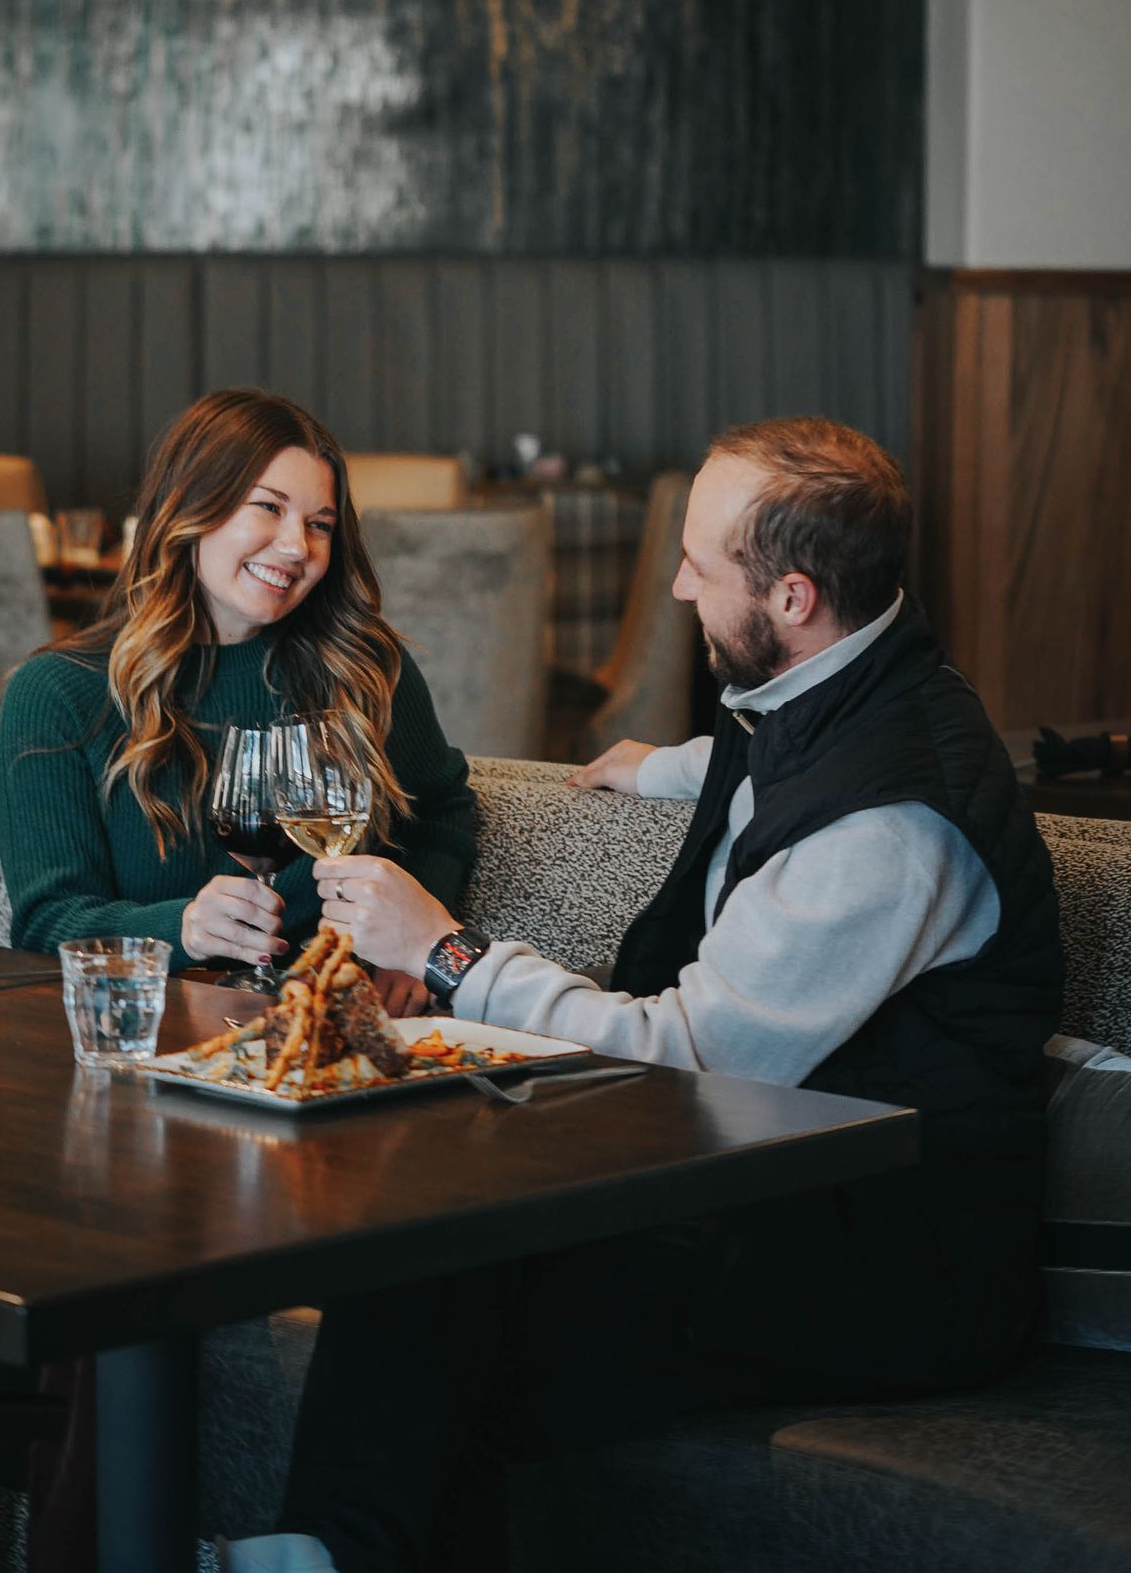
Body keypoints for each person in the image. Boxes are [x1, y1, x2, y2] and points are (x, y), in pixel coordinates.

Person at [226, 416, 1063, 1573]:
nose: (673, 587)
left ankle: (314, 1553)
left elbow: (689, 1064)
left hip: (892, 1258)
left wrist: (450, 953)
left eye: (697, 567)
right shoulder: (841, 682)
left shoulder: (887, 830)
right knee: (434, 1256)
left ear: (792, 597)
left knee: (445, 1310)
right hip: (777, 1188)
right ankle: (323, 1551)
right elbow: (765, 747)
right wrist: (658, 768)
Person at [0, 389, 475, 1015]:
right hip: (152, 1031)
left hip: (326, 1026)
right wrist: (182, 930)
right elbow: (46, 924)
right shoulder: (57, 692)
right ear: (190, 506)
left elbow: (440, 812)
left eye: (320, 524)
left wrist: (414, 950)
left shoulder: (364, 668)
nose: (297, 546)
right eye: (269, 507)